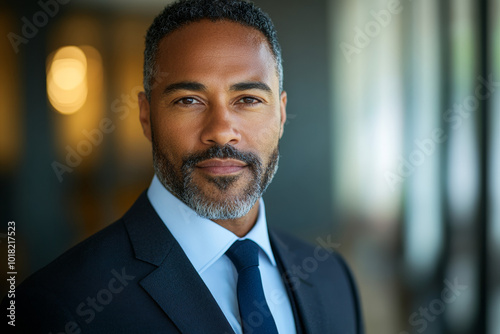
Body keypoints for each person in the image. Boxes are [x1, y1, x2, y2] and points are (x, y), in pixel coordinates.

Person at [2, 0, 364, 333]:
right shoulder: (56, 307)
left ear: (282, 113)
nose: (221, 130)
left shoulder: (334, 278)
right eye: (189, 100)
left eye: (248, 99)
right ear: (146, 115)